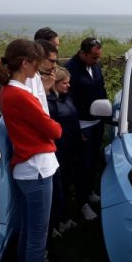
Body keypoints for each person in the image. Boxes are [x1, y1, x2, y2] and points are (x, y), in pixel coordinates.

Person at [0, 39, 69, 262]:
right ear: (24, 63)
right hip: (37, 169)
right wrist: (53, 125)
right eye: (36, 66)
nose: (38, 72)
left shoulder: (8, 92)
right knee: (37, 237)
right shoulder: (20, 95)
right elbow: (53, 130)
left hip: (28, 169)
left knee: (28, 232)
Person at [65, 37, 107, 221]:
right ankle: (82, 203)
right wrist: (76, 130)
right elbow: (69, 102)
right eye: (93, 57)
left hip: (97, 122)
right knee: (83, 165)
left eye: (98, 57)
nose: (97, 61)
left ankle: (89, 192)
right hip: (82, 125)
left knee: (92, 164)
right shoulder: (70, 70)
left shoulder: (95, 66)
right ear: (82, 53)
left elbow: (101, 88)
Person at [47, 67, 80, 237]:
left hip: (70, 149)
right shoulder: (50, 104)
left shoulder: (67, 97)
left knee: (67, 186)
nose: (68, 86)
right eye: (65, 83)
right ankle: (54, 224)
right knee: (57, 192)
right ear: (55, 83)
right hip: (58, 152)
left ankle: (63, 219)